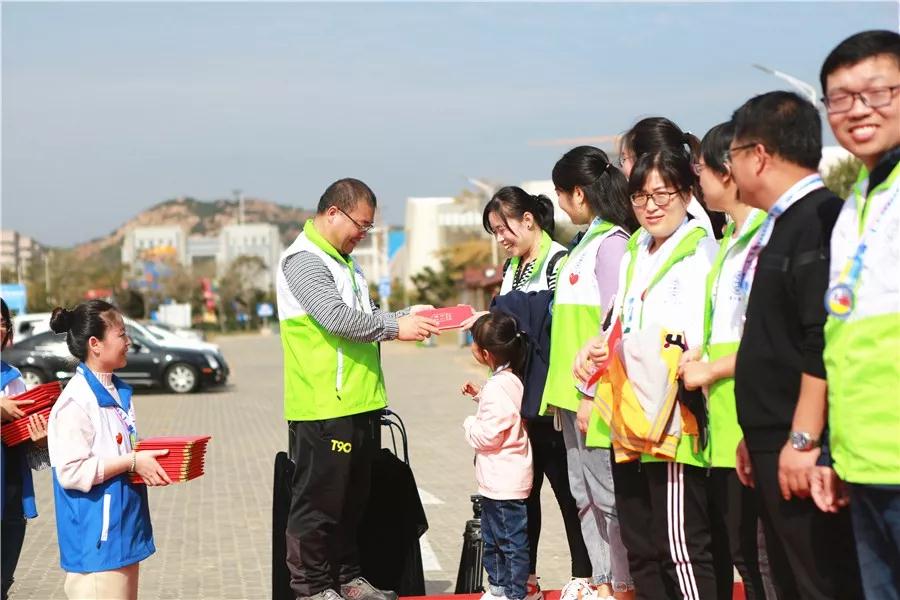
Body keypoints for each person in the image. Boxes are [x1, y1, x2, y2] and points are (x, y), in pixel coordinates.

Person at [276, 178, 440, 600]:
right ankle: (313, 588)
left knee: (352, 502)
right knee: (319, 506)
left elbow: (362, 315)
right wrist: (395, 327)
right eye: (360, 226)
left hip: (361, 402)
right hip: (323, 407)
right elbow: (337, 319)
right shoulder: (305, 260)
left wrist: (407, 314)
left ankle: (348, 579)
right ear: (334, 212)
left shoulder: (346, 263)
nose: (362, 235)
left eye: (368, 228)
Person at [729, 91, 863, 599]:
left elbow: (820, 337)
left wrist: (803, 440)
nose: (732, 169)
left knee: (820, 580)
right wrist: (757, 432)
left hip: (801, 447)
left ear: (758, 155)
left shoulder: (820, 220)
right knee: (790, 577)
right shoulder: (786, 223)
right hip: (774, 438)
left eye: (733, 156)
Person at [595, 148, 719, 599]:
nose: (650, 205)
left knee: (681, 546)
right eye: (640, 196)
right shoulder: (634, 251)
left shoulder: (703, 252)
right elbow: (618, 323)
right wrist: (597, 347)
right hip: (629, 414)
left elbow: (706, 329)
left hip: (674, 417)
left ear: (687, 194)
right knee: (641, 542)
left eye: (662, 193)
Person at [464, 185, 588, 600]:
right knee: (523, 495)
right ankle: (525, 579)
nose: (500, 238)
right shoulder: (513, 267)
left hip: (550, 399)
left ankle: (584, 575)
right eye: (494, 232)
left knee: (569, 494)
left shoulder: (559, 261)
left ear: (529, 220)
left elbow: (556, 333)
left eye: (504, 228)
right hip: (519, 404)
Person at [818, 29, 900, 599]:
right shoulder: (857, 205)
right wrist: (827, 448)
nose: (858, 110)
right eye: (841, 98)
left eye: (877, 92)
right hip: (864, 459)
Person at [541, 146, 637, 600]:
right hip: (569, 393)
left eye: (561, 194)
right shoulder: (584, 242)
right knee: (583, 494)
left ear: (578, 192)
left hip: (595, 396)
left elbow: (612, 326)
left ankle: (623, 582)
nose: (560, 204)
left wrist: (591, 391)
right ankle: (601, 578)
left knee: (608, 495)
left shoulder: (612, 243)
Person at [680, 122, 767, 599]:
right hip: (724, 418)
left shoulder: (760, 237)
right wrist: (703, 354)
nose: (698, 181)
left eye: (701, 170)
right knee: (743, 553)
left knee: (759, 558)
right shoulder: (732, 239)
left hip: (749, 416)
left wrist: (711, 368)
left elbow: (767, 335)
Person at [47, 300, 172, 600]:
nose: (129, 341)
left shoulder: (117, 391)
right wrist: (132, 462)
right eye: (121, 334)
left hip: (123, 533)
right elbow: (71, 472)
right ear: (95, 344)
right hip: (96, 543)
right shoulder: (76, 402)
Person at [461, 311, 533, 600]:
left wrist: (468, 424)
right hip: (500, 479)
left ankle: (514, 593)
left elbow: (488, 436)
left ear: (485, 353)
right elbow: (506, 410)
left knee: (509, 542)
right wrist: (481, 395)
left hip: (503, 482)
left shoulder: (498, 386)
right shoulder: (508, 380)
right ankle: (499, 588)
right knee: (494, 540)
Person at [1, 298, 48, 600]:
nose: (0, 327)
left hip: (9, 489)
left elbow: (25, 442)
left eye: (3, 321)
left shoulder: (13, 377)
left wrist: (39, 438)